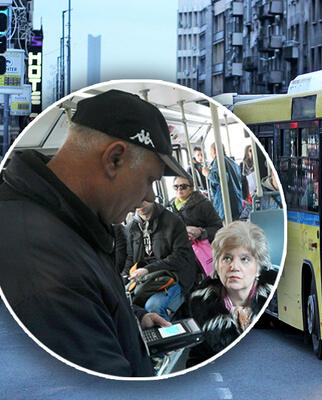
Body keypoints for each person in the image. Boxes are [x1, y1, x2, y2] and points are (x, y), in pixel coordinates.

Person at [0, 89, 189, 377]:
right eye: (149, 180)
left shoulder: (69, 226)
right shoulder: (45, 264)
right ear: (113, 159)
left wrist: (134, 320)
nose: (149, 196)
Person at [186, 221, 277, 365]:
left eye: (244, 259)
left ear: (259, 266)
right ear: (216, 264)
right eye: (227, 258)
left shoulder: (279, 301)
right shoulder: (201, 306)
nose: (234, 267)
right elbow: (196, 361)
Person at [124, 200, 197, 320]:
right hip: (144, 280)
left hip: (175, 276)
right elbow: (130, 259)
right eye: (137, 199)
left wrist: (148, 269)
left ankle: (170, 337)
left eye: (144, 199)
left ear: (151, 196)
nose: (140, 204)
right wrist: (123, 280)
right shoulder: (131, 228)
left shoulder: (173, 221)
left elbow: (181, 256)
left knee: (154, 307)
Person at [169, 176, 223, 243]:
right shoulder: (170, 207)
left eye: (183, 186)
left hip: (200, 248)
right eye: (176, 187)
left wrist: (201, 232)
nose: (179, 189)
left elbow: (218, 228)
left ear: (191, 188)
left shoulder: (204, 204)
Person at [202, 143, 243, 221]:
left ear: (214, 151)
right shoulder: (232, 162)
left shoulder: (219, 160)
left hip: (225, 205)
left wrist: (207, 173)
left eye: (210, 152)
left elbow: (220, 178)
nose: (211, 154)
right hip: (237, 203)